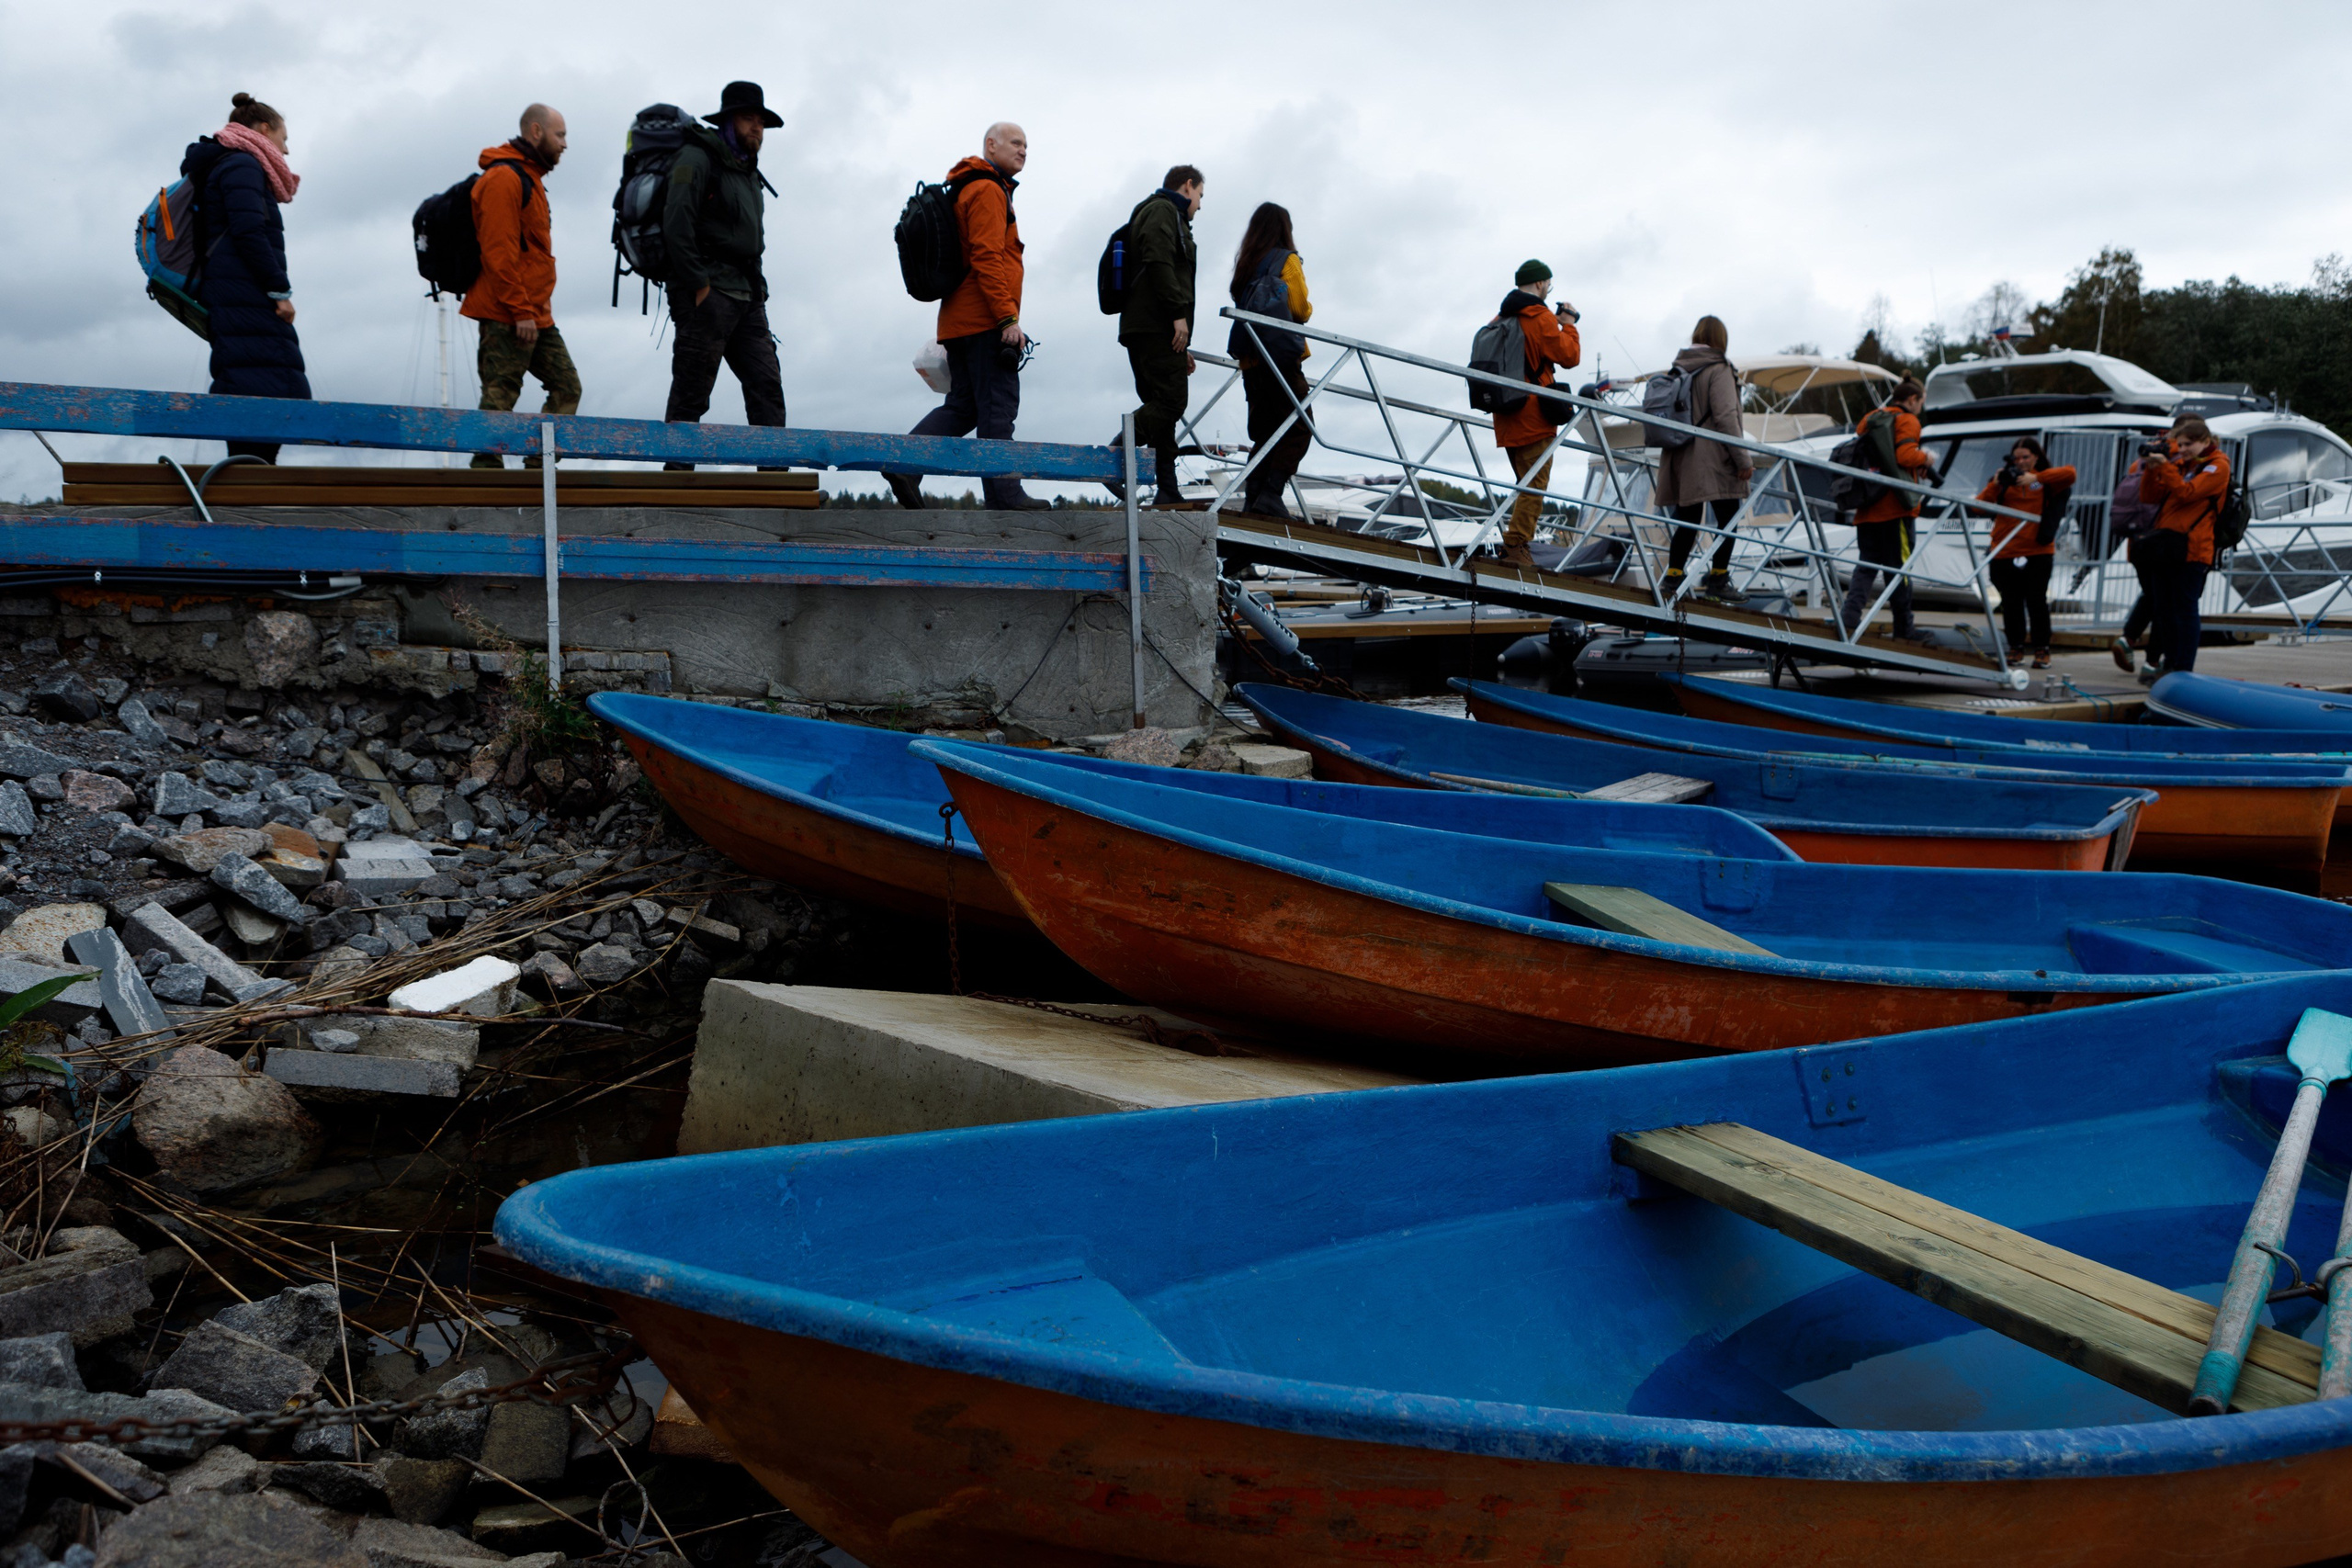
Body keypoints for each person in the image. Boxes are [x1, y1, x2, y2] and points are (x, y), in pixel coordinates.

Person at [892, 123, 1043, 511]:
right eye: (1015, 143)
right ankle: (1005, 496)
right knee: (998, 409)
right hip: (985, 321)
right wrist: (1007, 319)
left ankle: (904, 464)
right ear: (991, 145)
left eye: (1026, 145)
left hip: (960, 321)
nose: (1023, 150)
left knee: (965, 407)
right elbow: (987, 257)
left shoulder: (968, 186)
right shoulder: (988, 189)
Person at [180, 93, 311, 464]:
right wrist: (279, 291)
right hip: (247, 296)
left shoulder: (229, 164)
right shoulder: (243, 165)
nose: (286, 151)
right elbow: (249, 232)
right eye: (284, 139)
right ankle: (250, 490)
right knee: (264, 392)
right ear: (264, 129)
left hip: (235, 295)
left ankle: (249, 486)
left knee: (252, 390)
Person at [662, 82, 786, 464]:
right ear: (728, 121)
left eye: (761, 121)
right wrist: (699, 284)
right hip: (707, 294)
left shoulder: (748, 170)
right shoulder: (697, 158)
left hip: (747, 297)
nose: (757, 128)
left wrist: (758, 290)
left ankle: (776, 485)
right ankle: (676, 482)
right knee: (692, 394)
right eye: (748, 118)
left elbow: (752, 240)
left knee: (767, 386)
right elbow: (676, 224)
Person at [465, 104, 577, 468]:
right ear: (536, 131)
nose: (565, 144)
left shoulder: (531, 177)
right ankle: (485, 481)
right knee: (500, 396)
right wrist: (520, 310)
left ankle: (538, 471)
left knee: (567, 386)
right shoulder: (504, 178)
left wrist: (532, 311)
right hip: (508, 312)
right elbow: (498, 253)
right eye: (560, 135)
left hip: (535, 313)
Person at [1486, 260, 1581, 570]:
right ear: (1540, 284)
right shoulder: (1539, 317)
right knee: (1535, 484)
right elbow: (1569, 356)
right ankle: (1516, 547)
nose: (1548, 290)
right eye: (1548, 285)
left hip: (1505, 414)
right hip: (1532, 417)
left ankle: (1514, 546)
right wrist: (1568, 324)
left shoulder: (1502, 317)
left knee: (1525, 483)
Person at [1118, 166, 1203, 507]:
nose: (1200, 205)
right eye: (1200, 195)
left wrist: (1181, 342)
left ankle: (1168, 490)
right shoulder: (1162, 211)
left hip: (1153, 327)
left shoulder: (1163, 213)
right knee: (1171, 402)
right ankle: (1116, 453)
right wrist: (1177, 315)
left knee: (1162, 413)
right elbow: (1158, 262)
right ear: (1188, 186)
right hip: (1155, 326)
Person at [1653, 315, 1751, 603]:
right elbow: (1726, 417)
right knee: (1729, 518)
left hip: (1682, 455)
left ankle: (1673, 578)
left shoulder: (1679, 368)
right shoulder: (1719, 369)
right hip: (1714, 458)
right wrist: (1743, 460)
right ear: (1721, 339)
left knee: (1688, 519)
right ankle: (1718, 579)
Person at [1227, 202, 1314, 518]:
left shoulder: (1246, 264)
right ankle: (1271, 493)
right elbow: (1300, 308)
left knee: (1265, 434)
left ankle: (1254, 499)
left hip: (1252, 362)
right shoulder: (1287, 261)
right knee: (1301, 425)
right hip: (1280, 360)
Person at [1838, 378, 1934, 640]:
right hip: (1896, 509)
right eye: (1921, 402)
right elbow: (1904, 456)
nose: (1920, 408)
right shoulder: (1908, 421)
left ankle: (1849, 617)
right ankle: (1904, 628)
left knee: (1866, 567)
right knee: (1900, 571)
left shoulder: (1872, 418)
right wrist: (1926, 458)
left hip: (1867, 507)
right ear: (1913, 400)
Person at [2137, 417, 2232, 677]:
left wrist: (2165, 467)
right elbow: (2148, 497)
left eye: (2188, 444)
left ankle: (2183, 668)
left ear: (2205, 441)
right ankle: (2168, 663)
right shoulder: (2181, 465)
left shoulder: (2217, 466)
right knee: (2163, 610)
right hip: (2166, 546)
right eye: (2180, 445)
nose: (2182, 449)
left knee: (2184, 609)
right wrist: (2151, 469)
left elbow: (2187, 493)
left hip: (2193, 549)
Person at [1977, 435, 2075, 668]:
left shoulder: (2045, 479)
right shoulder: (2003, 480)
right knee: (2010, 602)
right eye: (2017, 458)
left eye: (2026, 457)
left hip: (2038, 549)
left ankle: (2042, 649)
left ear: (2036, 457)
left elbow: (2071, 473)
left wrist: (2036, 477)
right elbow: (1978, 506)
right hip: (2005, 549)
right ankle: (2015, 648)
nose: (2020, 462)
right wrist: (1996, 483)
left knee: (2036, 601)